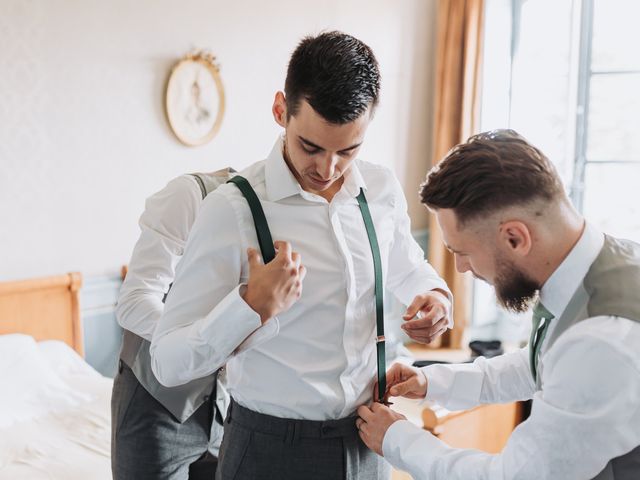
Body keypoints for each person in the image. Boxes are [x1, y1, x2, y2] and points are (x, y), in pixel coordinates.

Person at [150, 31, 453, 480]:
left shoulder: (382, 189)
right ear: (280, 111)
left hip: (368, 443)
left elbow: (407, 267)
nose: (327, 168)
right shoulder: (232, 210)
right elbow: (167, 363)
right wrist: (248, 308)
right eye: (311, 146)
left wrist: (435, 296)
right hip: (268, 451)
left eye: (348, 150)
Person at [356, 129, 640, 480]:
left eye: (463, 252)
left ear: (514, 237)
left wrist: (398, 440)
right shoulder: (602, 264)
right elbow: (539, 364)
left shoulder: (602, 339)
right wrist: (432, 382)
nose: (461, 268)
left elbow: (516, 476)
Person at [112, 169, 234, 479]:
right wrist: (204, 344)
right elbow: (135, 300)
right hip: (155, 403)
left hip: (230, 409)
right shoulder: (189, 195)